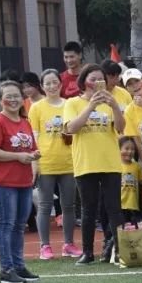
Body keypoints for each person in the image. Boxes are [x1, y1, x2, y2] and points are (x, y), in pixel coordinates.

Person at [64, 63, 126, 264]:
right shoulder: (73, 103)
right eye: (93, 79)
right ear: (83, 82)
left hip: (110, 163)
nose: (97, 83)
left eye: (101, 80)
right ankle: (88, 252)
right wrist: (91, 105)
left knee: (114, 209)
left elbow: (121, 127)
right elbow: (71, 128)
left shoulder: (112, 101)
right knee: (89, 210)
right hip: (86, 163)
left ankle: (120, 250)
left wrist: (114, 106)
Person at [0, 81, 41, 283]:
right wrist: (18, 157)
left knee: (18, 226)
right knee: (6, 225)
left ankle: (18, 265)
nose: (14, 99)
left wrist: (33, 155)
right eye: (8, 96)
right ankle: (6, 269)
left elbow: (30, 148)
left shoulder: (24, 121)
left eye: (17, 95)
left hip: (23, 181)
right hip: (5, 181)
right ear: (1, 100)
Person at [30, 69, 80, 260]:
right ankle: (45, 246)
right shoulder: (36, 108)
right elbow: (34, 137)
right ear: (42, 87)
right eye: (47, 83)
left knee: (69, 206)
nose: (51, 86)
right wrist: (35, 164)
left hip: (69, 162)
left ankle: (68, 244)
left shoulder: (70, 104)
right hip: (46, 163)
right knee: (44, 206)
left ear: (61, 84)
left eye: (54, 82)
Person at [118, 136, 142, 227]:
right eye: (126, 148)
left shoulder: (136, 166)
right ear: (119, 149)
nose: (130, 151)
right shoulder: (116, 165)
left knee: (133, 230)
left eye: (132, 149)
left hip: (133, 205)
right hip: (120, 205)